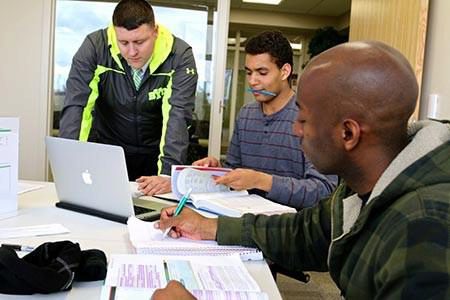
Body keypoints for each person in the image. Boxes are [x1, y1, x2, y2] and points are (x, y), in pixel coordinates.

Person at [152, 41, 450, 299]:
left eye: (304, 120)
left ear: (348, 134)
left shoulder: (425, 229)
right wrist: (210, 227)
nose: (295, 129)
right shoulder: (365, 183)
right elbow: (303, 233)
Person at [142, 31, 337, 208]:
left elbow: (324, 190)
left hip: (291, 229)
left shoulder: (311, 118)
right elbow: (233, 171)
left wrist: (262, 181)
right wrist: (216, 170)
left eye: (262, 73)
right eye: (249, 72)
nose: (252, 81)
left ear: (285, 72)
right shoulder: (246, 114)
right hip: (243, 219)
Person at [59, 0, 198, 192]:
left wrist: (167, 174)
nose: (132, 52)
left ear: (155, 32)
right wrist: (69, 163)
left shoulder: (179, 56)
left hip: (156, 154)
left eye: (140, 42)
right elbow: (77, 107)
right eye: (123, 42)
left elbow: (178, 115)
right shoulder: (95, 47)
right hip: (108, 151)